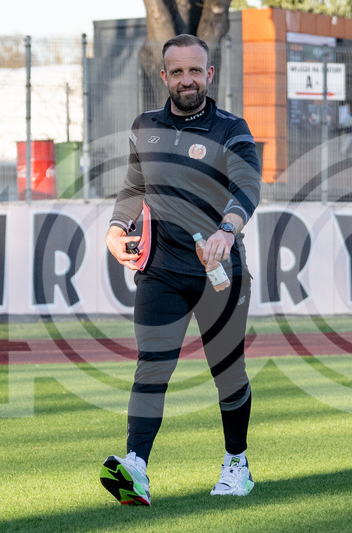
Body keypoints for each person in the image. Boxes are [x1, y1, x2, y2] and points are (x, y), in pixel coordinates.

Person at [99, 34, 261, 506]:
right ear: (164, 76)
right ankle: (136, 466)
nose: (187, 80)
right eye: (177, 72)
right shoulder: (144, 127)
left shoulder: (231, 129)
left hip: (220, 273)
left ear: (209, 75)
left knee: (228, 371)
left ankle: (236, 464)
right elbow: (134, 186)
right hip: (162, 271)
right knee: (152, 365)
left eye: (195, 71)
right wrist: (115, 228)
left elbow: (248, 185)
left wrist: (227, 230)